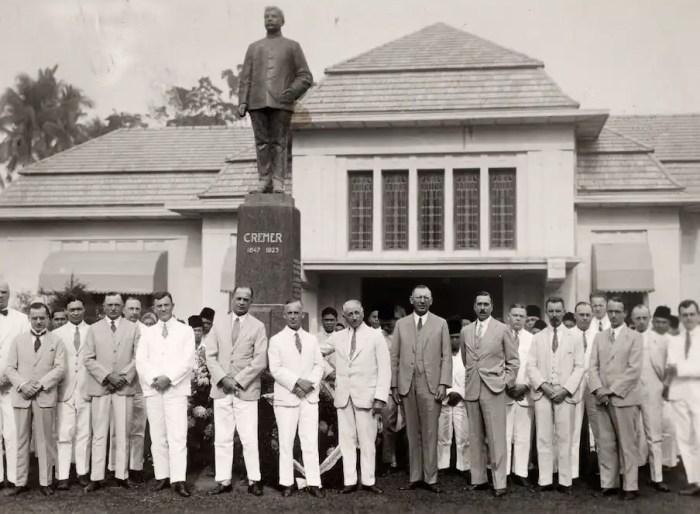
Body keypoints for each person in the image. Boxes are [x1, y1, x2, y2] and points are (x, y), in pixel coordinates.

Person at [238, 6, 313, 193]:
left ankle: (279, 181)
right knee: (261, 142)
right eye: (267, 16)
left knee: (280, 142)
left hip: (281, 102)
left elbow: (305, 76)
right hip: (256, 103)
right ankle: (264, 180)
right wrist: (242, 101)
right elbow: (245, 77)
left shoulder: (292, 46)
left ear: (282, 21)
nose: (270, 19)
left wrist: (293, 91)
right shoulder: (254, 48)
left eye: (274, 16)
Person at [206, 286, 267, 497]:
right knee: (222, 437)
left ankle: (254, 480)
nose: (241, 302)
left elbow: (260, 360)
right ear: (232, 299)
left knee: (249, 437)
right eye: (238, 298)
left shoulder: (258, 326)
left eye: (246, 299)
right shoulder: (218, 323)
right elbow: (210, 356)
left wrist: (238, 381)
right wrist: (223, 378)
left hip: (246, 390)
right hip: (222, 389)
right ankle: (223, 480)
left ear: (251, 302)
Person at [391, 285, 451, 494]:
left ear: (431, 300)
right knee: (412, 433)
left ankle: (431, 478)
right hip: (407, 384)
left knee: (430, 432)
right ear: (411, 299)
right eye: (418, 297)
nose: (422, 301)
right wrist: (394, 385)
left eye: (426, 297)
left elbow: (446, 356)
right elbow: (395, 357)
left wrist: (443, 383)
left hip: (431, 385)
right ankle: (415, 477)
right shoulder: (401, 324)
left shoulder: (441, 323)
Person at [136, 292, 195, 498]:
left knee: (177, 435)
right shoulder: (147, 333)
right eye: (159, 305)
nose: (163, 309)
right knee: (158, 435)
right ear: (154, 308)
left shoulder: (185, 330)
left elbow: (188, 361)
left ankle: (178, 479)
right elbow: (141, 361)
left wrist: (168, 378)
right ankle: (162, 475)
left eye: (166, 305)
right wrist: (155, 379)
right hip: (153, 390)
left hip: (175, 389)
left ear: (173, 305)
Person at [4, 302, 65, 496]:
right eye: (34, 318)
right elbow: (10, 368)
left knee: (46, 440)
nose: (38, 321)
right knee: (21, 439)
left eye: (42, 318)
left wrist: (39, 385)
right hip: (22, 396)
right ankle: (20, 482)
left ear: (48, 318)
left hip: (44, 396)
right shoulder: (18, 340)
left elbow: (59, 369)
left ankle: (46, 481)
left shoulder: (56, 341)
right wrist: (23, 385)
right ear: (29, 319)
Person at [461, 291, 518, 497]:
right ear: (474, 307)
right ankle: (478, 479)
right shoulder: (466, 331)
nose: (483, 308)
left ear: (492, 307)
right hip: (472, 389)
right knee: (475, 437)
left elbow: (513, 361)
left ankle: (499, 482)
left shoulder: (502, 329)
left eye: (486, 304)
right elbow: (466, 358)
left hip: (494, 388)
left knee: (496, 437)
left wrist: (505, 381)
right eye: (479, 304)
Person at [268, 299, 325, 498]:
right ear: (284, 315)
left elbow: (319, 365)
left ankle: (313, 482)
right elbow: (275, 369)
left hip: (308, 397)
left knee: (310, 441)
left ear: (302, 315)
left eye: (296, 312)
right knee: (286, 441)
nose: (293, 316)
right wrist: (297, 383)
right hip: (287, 397)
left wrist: (308, 383)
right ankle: (286, 483)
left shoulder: (311, 339)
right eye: (289, 313)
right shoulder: (276, 340)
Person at [527, 297, 585, 494]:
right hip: (544, 392)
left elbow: (579, 367)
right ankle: (544, 480)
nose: (554, 315)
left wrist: (566, 389)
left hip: (564, 393)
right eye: (550, 311)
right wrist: (543, 385)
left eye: (558, 311)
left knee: (564, 437)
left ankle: (565, 481)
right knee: (543, 437)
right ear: (546, 311)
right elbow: (531, 366)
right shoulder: (538, 337)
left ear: (564, 311)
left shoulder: (574, 337)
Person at [83, 293, 140, 492]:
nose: (113, 308)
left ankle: (121, 474)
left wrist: (123, 377)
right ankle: (97, 476)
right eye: (110, 305)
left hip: (124, 387)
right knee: (99, 433)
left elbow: (138, 356)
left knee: (122, 432)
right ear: (103, 306)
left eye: (117, 305)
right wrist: (108, 376)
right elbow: (88, 358)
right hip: (102, 387)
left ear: (123, 307)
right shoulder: (93, 329)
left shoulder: (133, 328)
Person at [332, 299, 390, 494]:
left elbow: (384, 368)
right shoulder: (338, 336)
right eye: (350, 314)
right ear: (344, 316)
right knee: (346, 440)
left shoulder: (375, 336)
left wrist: (380, 397)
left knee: (367, 440)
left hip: (367, 396)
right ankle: (349, 480)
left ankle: (368, 480)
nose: (354, 317)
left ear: (363, 312)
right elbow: (314, 353)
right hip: (343, 396)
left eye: (357, 312)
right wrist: (328, 373)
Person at [589, 296, 643, 500]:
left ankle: (630, 486)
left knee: (627, 444)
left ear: (625, 313)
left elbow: (634, 370)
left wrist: (610, 390)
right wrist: (598, 389)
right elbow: (592, 366)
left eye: (617, 311)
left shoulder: (634, 337)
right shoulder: (599, 337)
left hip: (623, 398)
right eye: (610, 311)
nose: (613, 315)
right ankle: (609, 483)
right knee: (606, 443)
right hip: (602, 399)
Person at [53, 296, 91, 490]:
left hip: (86, 389)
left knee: (83, 433)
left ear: (84, 310)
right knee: (64, 433)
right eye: (72, 309)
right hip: (64, 390)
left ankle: (83, 472)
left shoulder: (92, 331)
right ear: (66, 311)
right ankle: (62, 475)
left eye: (79, 309)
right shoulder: (57, 333)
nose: (75, 312)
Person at [631, 305, 671, 492]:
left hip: (652, 392)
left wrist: (664, 386)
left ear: (649, 319)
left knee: (653, 435)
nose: (641, 321)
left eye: (644, 318)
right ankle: (629, 475)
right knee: (629, 435)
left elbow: (669, 365)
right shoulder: (625, 337)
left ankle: (657, 477)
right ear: (632, 319)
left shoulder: (660, 340)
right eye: (637, 318)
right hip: (629, 392)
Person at [665, 299, 700, 496]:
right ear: (680, 317)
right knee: (684, 439)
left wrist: (681, 368)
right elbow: (670, 364)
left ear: (698, 315)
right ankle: (694, 481)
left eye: (692, 314)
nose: (688, 318)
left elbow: (678, 367)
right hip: (679, 393)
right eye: (684, 315)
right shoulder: (674, 340)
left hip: (698, 393)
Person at [0, 279, 30, 490]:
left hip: (11, 385)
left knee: (12, 431)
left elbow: (26, 352)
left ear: (9, 294)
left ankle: (14, 477)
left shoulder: (21, 319)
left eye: (3, 292)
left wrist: (8, 378)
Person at [504, 304, 534, 487]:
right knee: (505, 435)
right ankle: (505, 472)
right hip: (505, 393)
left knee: (523, 436)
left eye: (521, 316)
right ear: (508, 316)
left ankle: (521, 472)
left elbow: (536, 365)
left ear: (526, 318)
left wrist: (526, 386)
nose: (518, 319)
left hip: (525, 393)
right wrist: (508, 386)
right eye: (514, 315)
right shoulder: (500, 336)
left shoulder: (533, 339)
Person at [569, 301, 598, 482]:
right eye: (582, 315)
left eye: (588, 315)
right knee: (573, 429)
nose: (585, 318)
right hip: (575, 386)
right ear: (575, 315)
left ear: (592, 315)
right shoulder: (569, 335)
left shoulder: (599, 335)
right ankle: (572, 473)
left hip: (594, 386)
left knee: (598, 430)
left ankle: (601, 472)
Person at [437, 318, 469, 476]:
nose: (454, 340)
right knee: (443, 435)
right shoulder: (441, 356)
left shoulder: (467, 355)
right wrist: (449, 393)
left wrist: (460, 394)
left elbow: (471, 377)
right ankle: (443, 465)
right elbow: (437, 377)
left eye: (457, 337)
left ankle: (464, 467)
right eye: (451, 337)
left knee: (463, 435)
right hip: (445, 399)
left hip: (461, 401)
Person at [652, 306, 679, 468]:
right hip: (649, 387)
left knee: (669, 424)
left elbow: (673, 367)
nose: (660, 325)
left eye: (664, 322)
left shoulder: (671, 341)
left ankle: (668, 461)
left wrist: (665, 386)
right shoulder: (648, 338)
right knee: (650, 426)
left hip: (667, 388)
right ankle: (651, 460)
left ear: (668, 323)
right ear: (653, 321)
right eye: (657, 322)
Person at [378, 305, 400, 476]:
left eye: (388, 324)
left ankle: (409, 460)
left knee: (411, 425)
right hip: (386, 386)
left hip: (405, 385)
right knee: (388, 425)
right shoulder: (377, 336)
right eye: (382, 324)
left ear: (395, 320)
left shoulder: (404, 334)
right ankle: (388, 460)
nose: (385, 327)